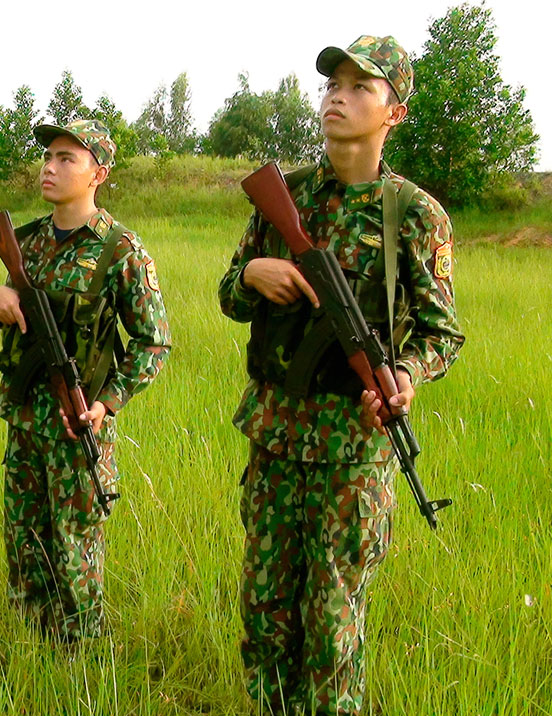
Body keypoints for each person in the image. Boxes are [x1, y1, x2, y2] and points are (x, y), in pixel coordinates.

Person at [217, 36, 465, 715]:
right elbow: (229, 298)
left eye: (362, 87)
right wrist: (250, 275)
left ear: (396, 114)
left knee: (331, 628)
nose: (339, 95)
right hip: (275, 441)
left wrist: (406, 373)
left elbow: (443, 333)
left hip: (352, 455)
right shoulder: (284, 198)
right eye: (334, 83)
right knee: (265, 616)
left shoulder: (414, 214)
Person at [0, 119, 171, 640]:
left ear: (99, 173)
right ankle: (27, 648)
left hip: (78, 426)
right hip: (26, 420)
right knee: (24, 545)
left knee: (75, 555)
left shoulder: (121, 251)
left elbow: (154, 342)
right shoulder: (25, 243)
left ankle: (82, 663)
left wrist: (108, 402)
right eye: (48, 156)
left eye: (67, 158)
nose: (50, 166)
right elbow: (4, 303)